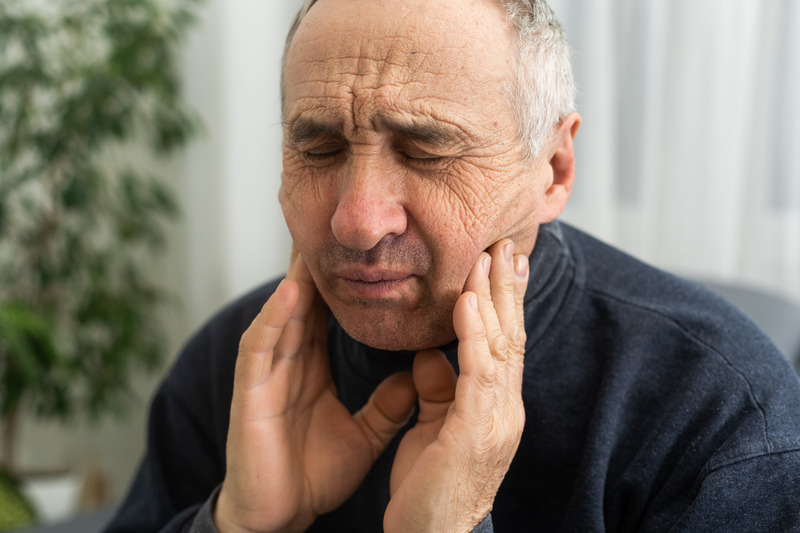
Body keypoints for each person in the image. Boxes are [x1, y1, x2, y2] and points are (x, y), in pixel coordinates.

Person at [105, 0, 800, 531]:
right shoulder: (238, 363)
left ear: (553, 170)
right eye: (317, 150)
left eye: (426, 150)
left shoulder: (719, 411)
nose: (357, 220)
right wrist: (234, 523)